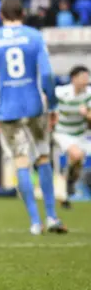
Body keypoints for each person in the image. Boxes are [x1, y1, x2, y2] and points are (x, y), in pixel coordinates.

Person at [0, 0, 66, 235]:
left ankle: (35, 222)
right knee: (42, 157)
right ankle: (51, 216)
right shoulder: (34, 36)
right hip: (34, 106)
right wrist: (53, 106)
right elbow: (48, 76)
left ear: (1, 15)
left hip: (7, 109)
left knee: (20, 161)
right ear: (23, 14)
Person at [53, 66, 91, 208]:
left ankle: (69, 183)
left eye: (87, 78)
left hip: (81, 134)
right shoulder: (61, 92)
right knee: (76, 154)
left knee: (78, 161)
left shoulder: (89, 94)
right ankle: (67, 185)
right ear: (73, 79)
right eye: (83, 78)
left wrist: (86, 114)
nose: (86, 81)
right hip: (62, 132)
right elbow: (47, 102)